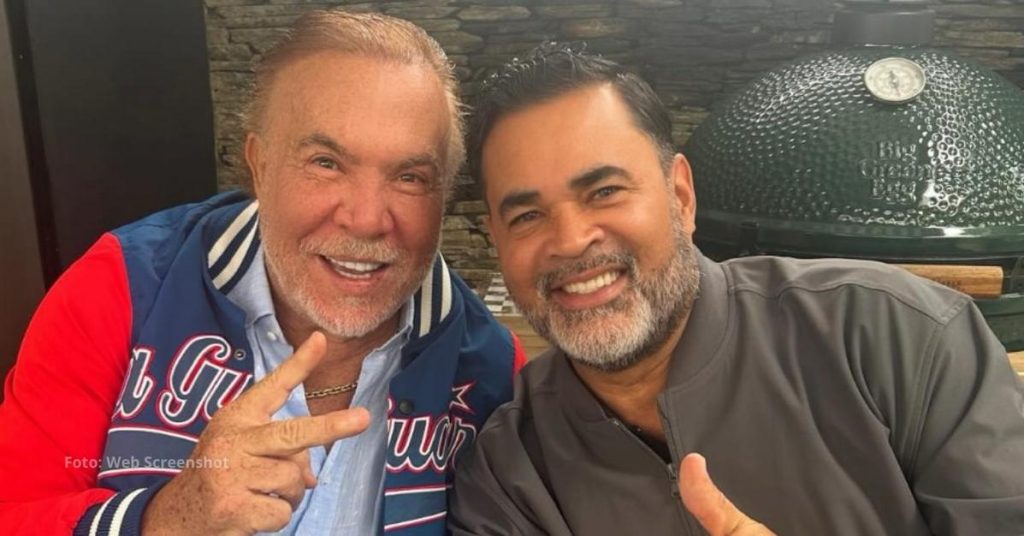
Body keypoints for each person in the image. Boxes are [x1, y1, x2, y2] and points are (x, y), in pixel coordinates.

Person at [449, 43, 1024, 536]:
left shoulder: (898, 338)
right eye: (526, 216)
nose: (571, 240)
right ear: (498, 239)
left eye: (605, 192)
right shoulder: (508, 472)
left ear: (680, 197)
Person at [0, 10, 524, 536]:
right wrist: (167, 519)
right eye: (325, 162)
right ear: (260, 164)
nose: (366, 219)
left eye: (410, 177)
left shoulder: (490, 369)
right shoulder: (123, 286)